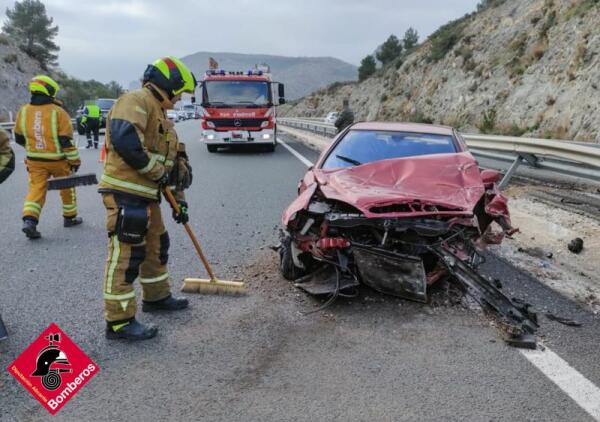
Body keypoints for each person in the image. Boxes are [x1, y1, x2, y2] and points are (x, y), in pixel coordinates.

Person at [98, 57, 195, 341]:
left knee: (156, 245)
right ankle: (119, 321)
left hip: (148, 195)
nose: (179, 98)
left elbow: (174, 167)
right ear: (170, 84)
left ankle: (156, 297)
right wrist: (157, 171)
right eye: (179, 92)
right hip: (126, 190)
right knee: (127, 255)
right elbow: (126, 140)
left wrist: (181, 200)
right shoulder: (135, 100)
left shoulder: (164, 117)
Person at [14, 75, 82, 240]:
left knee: (36, 190)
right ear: (50, 91)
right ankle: (69, 218)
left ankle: (29, 221)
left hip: (35, 161)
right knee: (67, 188)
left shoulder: (23, 111)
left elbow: (19, 138)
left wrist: (36, 147)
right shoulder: (58, 112)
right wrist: (75, 161)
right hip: (58, 161)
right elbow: (65, 141)